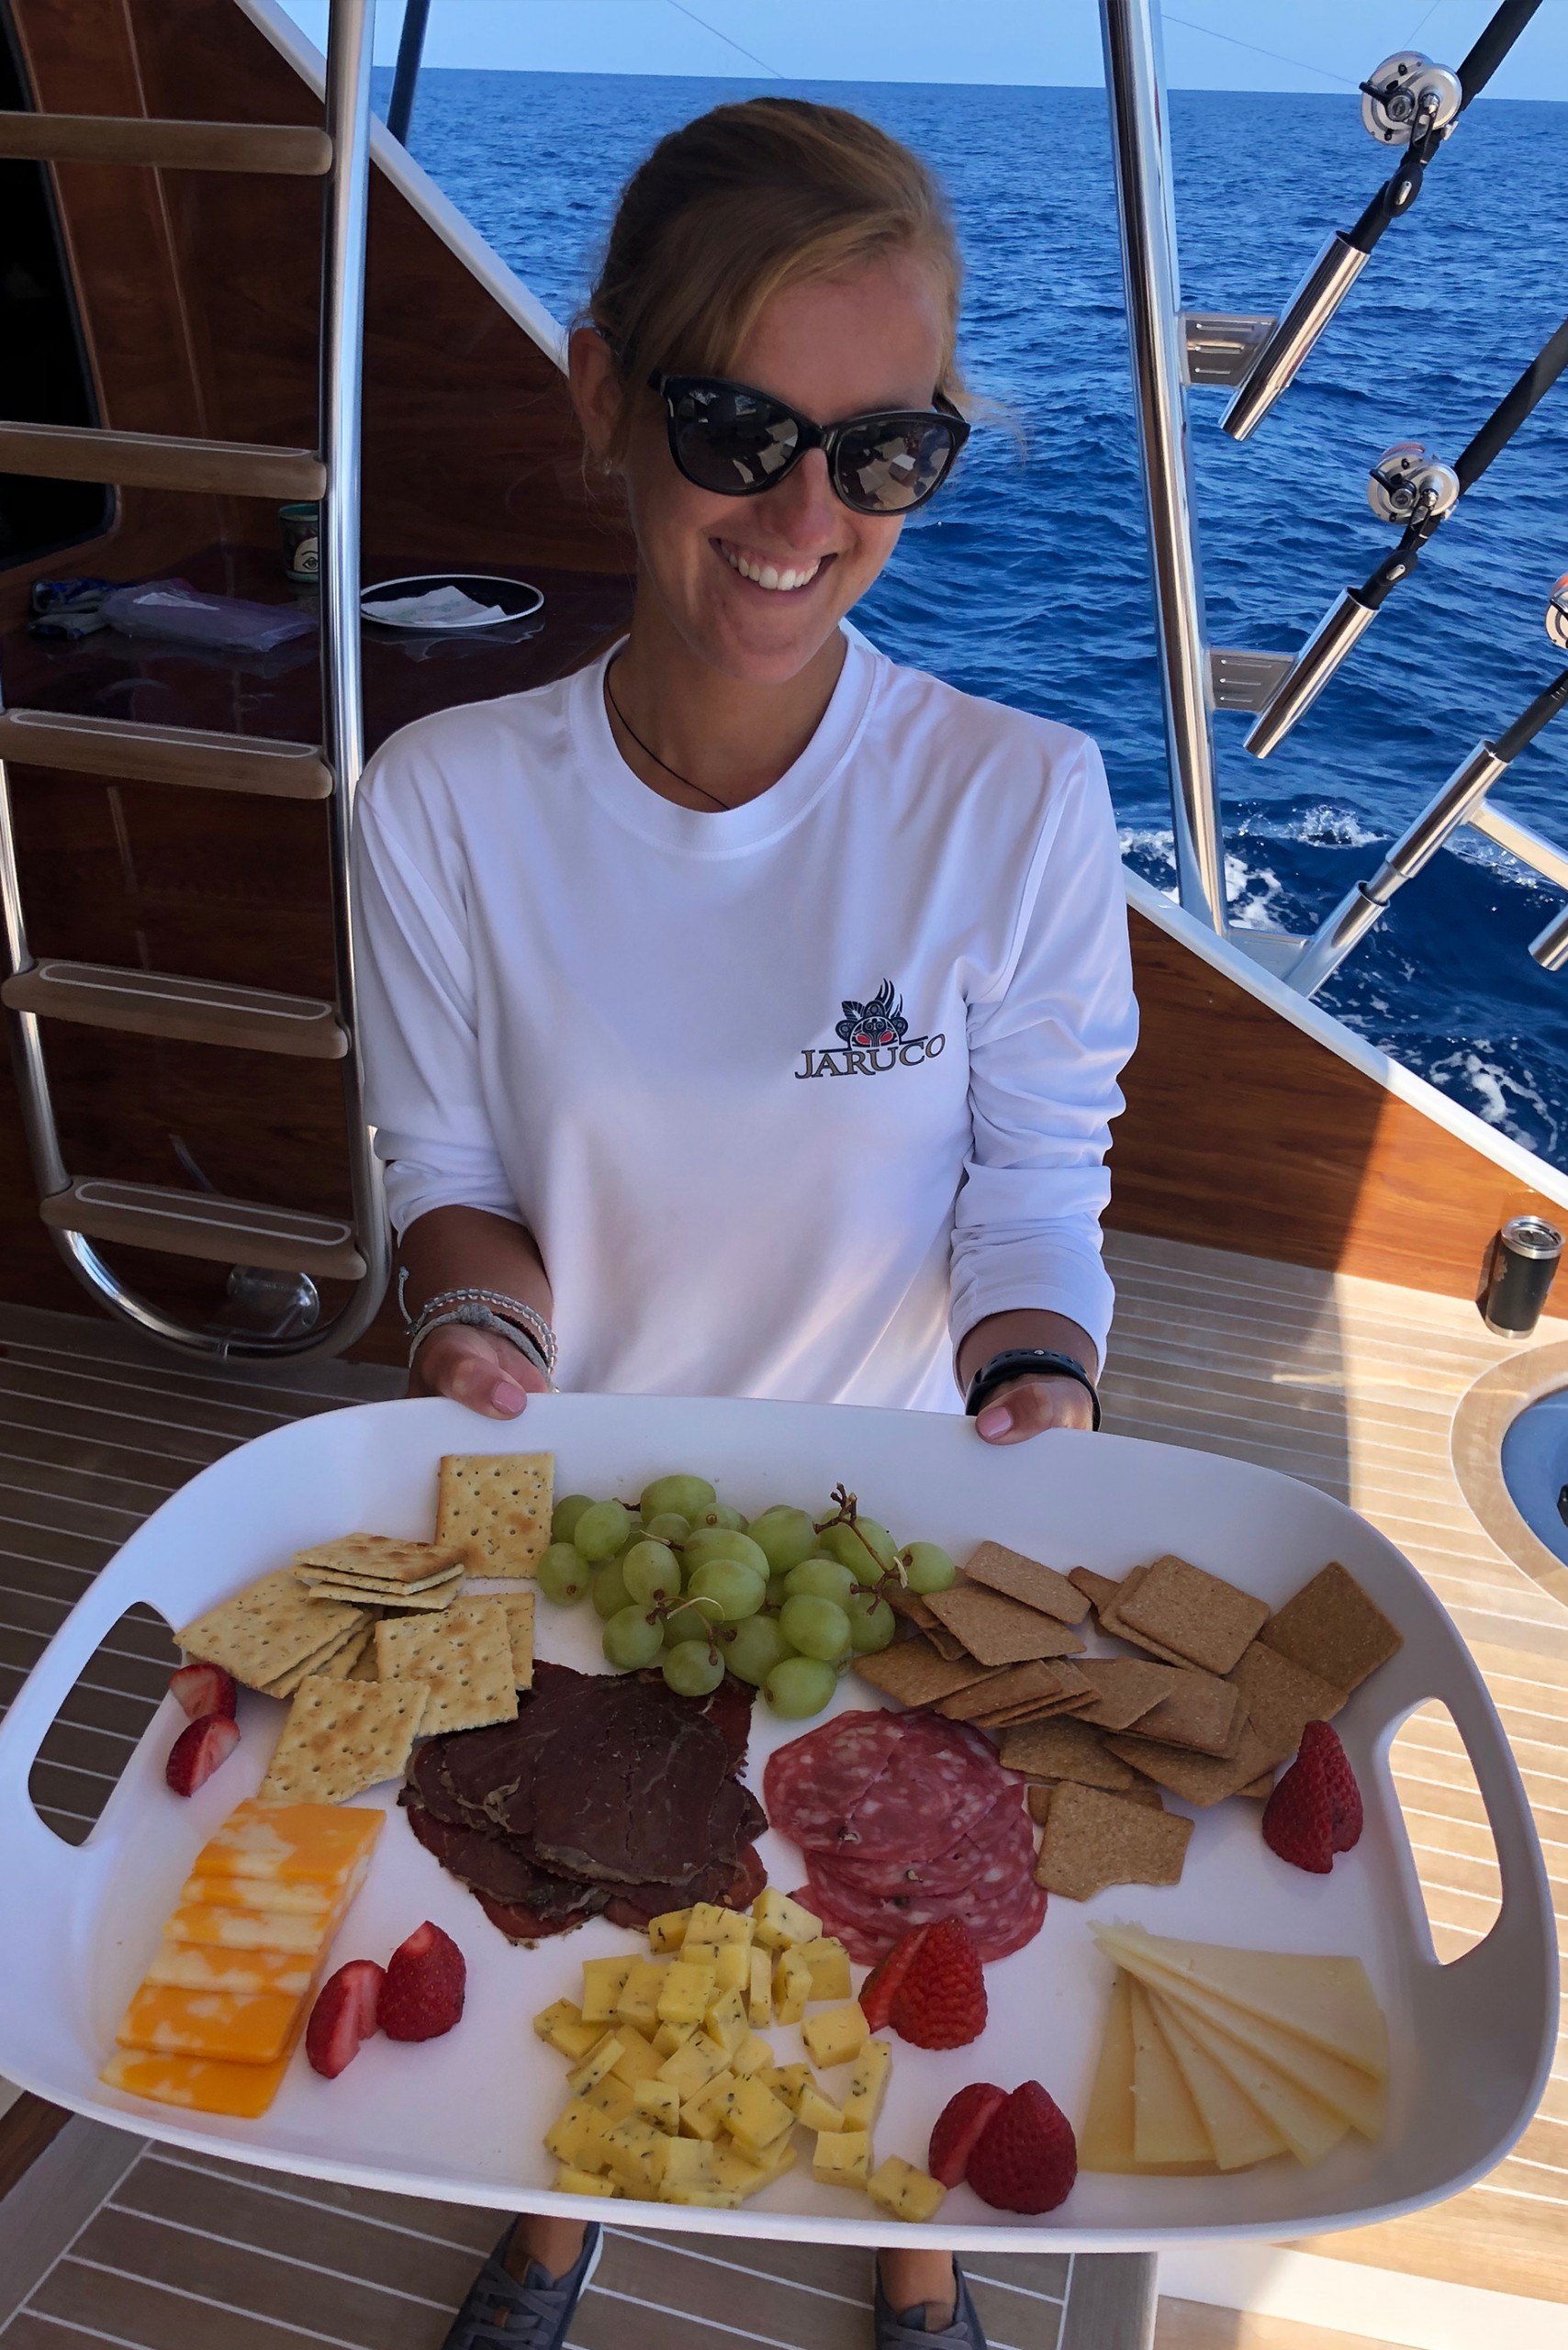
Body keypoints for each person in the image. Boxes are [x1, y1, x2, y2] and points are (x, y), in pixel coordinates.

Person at [353, 95, 1136, 2350]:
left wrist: (1031, 1364)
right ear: (600, 389)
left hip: (880, 1517)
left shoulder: (1017, 801)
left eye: (884, 453)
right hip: (559, 1505)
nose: (808, 516)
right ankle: (553, 2217)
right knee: (531, 1925)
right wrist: (472, 1331)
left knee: (911, 1939)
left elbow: (1031, 1184)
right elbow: (446, 1181)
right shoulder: (447, 802)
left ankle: (916, 2255)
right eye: (736, 427)